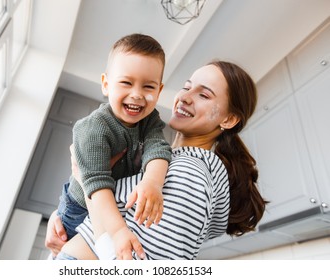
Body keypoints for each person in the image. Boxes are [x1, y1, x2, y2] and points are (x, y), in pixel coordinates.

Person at [46, 60, 268, 260]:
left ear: (229, 119)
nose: (185, 97)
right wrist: (63, 220)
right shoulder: (161, 161)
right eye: (187, 87)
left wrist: (87, 183)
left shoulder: (189, 174)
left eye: (204, 95)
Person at [54, 33, 172, 258]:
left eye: (148, 86)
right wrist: (118, 231)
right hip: (80, 205)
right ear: (106, 84)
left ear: (159, 91)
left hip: (111, 206)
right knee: (65, 249)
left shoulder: (150, 120)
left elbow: (158, 148)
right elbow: (97, 185)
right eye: (126, 83)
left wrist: (153, 182)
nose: (137, 95)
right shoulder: (93, 128)